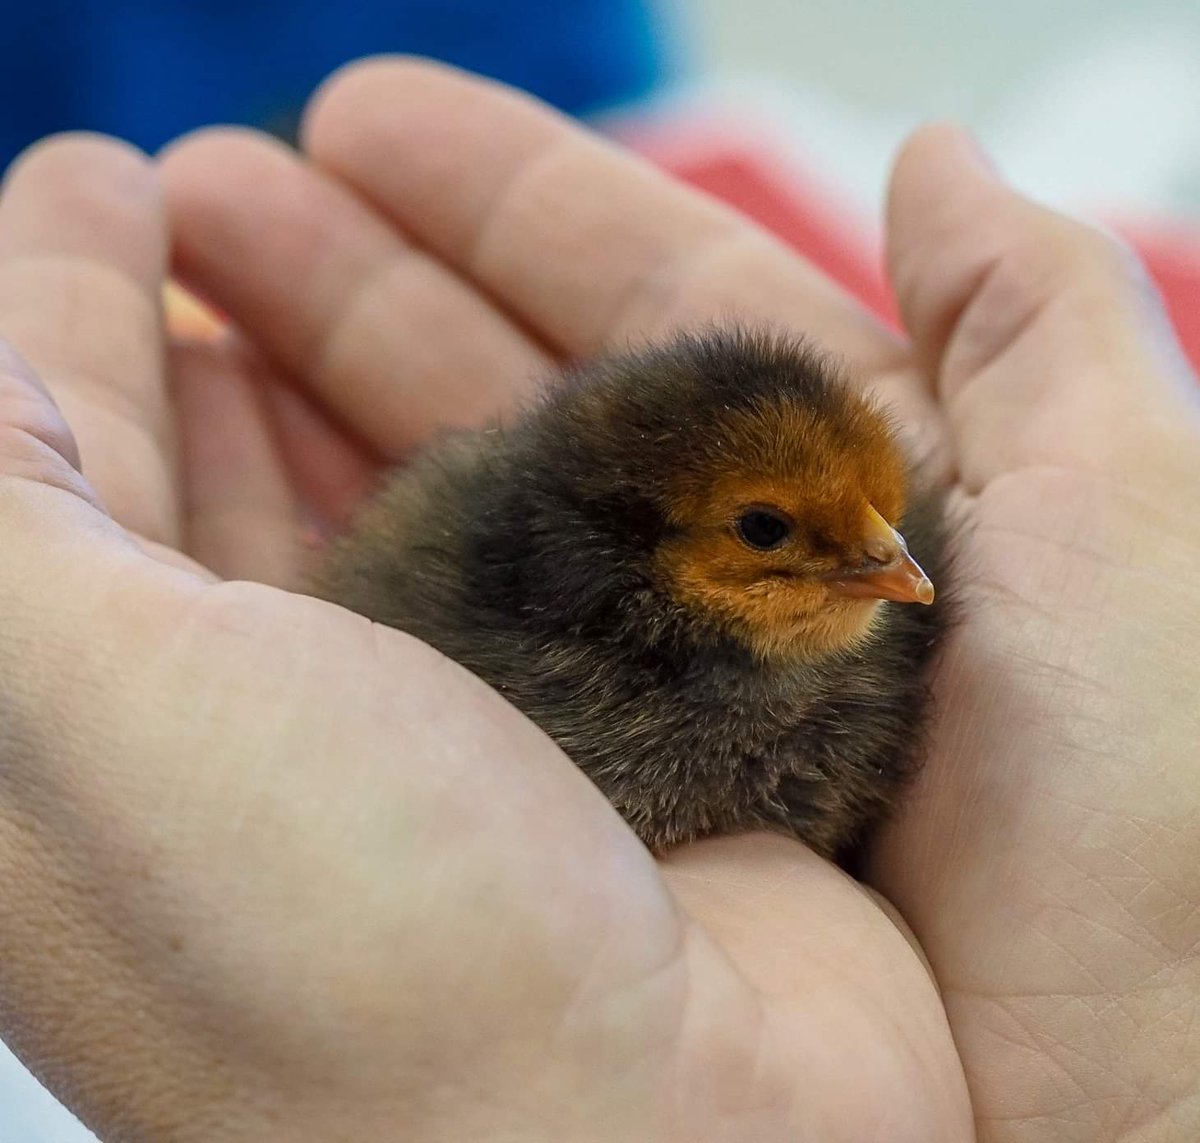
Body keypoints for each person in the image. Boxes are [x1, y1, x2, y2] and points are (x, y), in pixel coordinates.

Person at [0, 57, 1195, 1143]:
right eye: (774, 532)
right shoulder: (555, 657)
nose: (897, 561)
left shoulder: (875, 614)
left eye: (881, 512)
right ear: (635, 554)